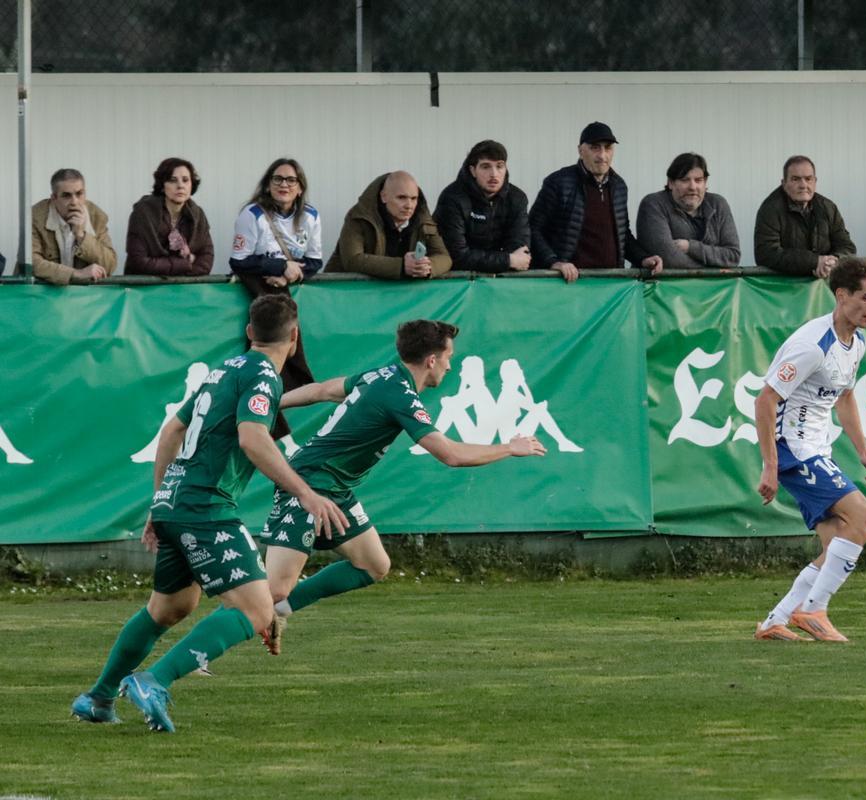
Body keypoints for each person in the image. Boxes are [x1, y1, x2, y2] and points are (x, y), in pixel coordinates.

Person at [70, 295, 347, 733]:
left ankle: (99, 698)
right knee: (258, 613)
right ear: (294, 338)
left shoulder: (225, 370)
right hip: (206, 508)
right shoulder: (262, 376)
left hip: (178, 503)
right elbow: (254, 439)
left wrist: (161, 500)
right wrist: (307, 494)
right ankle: (153, 681)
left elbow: (172, 431)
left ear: (250, 332)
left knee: (170, 608)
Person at [259, 319, 546, 654]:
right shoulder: (399, 394)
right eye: (448, 356)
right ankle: (198, 652)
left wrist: (272, 402)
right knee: (275, 588)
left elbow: (321, 390)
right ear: (431, 360)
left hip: (335, 488)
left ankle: (278, 611)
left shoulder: (381, 376)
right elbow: (451, 455)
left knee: (373, 565)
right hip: (310, 484)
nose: (450, 365)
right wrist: (510, 448)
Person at [752, 257, 866, 643]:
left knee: (837, 542)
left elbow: (844, 396)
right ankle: (812, 610)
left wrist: (862, 451)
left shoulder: (856, 341)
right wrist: (770, 466)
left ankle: (775, 620)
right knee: (863, 519)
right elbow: (765, 400)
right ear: (841, 295)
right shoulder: (812, 344)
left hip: (815, 448)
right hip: (793, 449)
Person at [229, 158, 323, 444]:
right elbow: (239, 261)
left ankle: (280, 416)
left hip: (284, 288)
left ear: (300, 187)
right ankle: (262, 420)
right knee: (264, 356)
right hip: (260, 292)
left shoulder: (310, 216)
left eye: (290, 180)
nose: (284, 185)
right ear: (268, 185)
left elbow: (315, 261)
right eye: (278, 179)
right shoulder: (252, 214)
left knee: (291, 359)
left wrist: (290, 275)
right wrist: (278, 267)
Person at [528, 121, 663, 282]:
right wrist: (553, 262)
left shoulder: (619, 186)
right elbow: (532, 229)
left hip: (611, 286)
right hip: (569, 285)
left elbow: (623, 235)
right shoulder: (558, 182)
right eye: (595, 147)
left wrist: (643, 258)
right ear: (580, 150)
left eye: (608, 147)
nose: (602, 155)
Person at [326, 171, 450, 279]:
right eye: (402, 198)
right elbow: (352, 260)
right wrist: (401, 266)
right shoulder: (359, 216)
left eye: (414, 198)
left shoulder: (422, 219)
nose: (409, 205)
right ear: (383, 196)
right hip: (349, 294)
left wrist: (426, 267)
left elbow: (445, 257)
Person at [434, 140, 531, 273]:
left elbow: (520, 252)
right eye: (486, 167)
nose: (494, 174)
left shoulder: (517, 198)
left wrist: (511, 260)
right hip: (460, 281)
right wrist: (507, 260)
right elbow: (456, 255)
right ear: (473, 170)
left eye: (499, 166)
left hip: (504, 279)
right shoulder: (452, 198)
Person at [753, 156, 856, 278]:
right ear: (784, 183)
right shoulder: (770, 209)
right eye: (796, 179)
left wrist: (833, 262)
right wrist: (814, 262)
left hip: (825, 286)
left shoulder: (828, 207)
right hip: (784, 289)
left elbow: (847, 247)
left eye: (808, 179)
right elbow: (766, 254)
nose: (803, 185)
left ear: (815, 181)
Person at [635, 152, 740, 269]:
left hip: (715, 287)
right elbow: (668, 259)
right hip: (663, 286)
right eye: (685, 180)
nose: (692, 187)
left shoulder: (718, 204)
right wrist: (714, 269)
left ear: (705, 183)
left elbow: (733, 256)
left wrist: (691, 247)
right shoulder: (653, 204)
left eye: (698, 180)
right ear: (670, 183)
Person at [125, 157, 214, 276]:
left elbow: (206, 261)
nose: (180, 186)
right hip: (145, 289)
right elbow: (139, 262)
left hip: (186, 289)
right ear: (162, 186)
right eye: (173, 180)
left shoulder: (198, 215)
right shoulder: (143, 214)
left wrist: (169, 268)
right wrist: (185, 264)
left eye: (185, 180)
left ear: (191, 185)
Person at [31, 168, 117, 285]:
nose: (74, 201)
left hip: (83, 297)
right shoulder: (35, 217)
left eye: (79, 194)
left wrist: (81, 235)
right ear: (54, 198)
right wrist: (75, 273)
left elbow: (110, 265)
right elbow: (31, 262)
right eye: (66, 195)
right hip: (43, 295)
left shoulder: (96, 217)